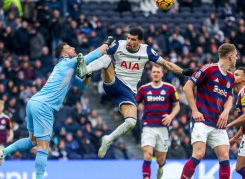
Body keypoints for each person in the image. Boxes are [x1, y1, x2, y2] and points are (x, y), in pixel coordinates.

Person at [0, 37, 115, 179]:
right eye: (70, 47)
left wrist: (88, 74)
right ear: (65, 53)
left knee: (32, 140)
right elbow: (94, 55)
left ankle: (1, 154)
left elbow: (83, 86)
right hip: (44, 107)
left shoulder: (65, 68)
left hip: (34, 102)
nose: (73, 48)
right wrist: (107, 44)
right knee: (43, 148)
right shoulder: (68, 63)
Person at [76, 27, 194, 158]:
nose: (129, 41)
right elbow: (100, 53)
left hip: (127, 92)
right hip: (113, 82)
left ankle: (108, 139)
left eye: (133, 39)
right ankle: (85, 70)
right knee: (106, 59)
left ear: (140, 41)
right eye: (128, 38)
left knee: (131, 122)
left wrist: (183, 72)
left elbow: (166, 64)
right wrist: (94, 54)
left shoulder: (147, 51)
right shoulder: (119, 45)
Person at [171, 43, 237, 179]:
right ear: (230, 56)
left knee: (224, 156)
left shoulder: (230, 77)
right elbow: (187, 87)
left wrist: (227, 111)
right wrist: (194, 110)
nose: (236, 58)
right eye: (235, 55)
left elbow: (229, 97)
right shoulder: (209, 69)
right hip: (202, 120)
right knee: (198, 154)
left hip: (218, 123)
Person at [136, 64, 180, 179]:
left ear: (162, 74)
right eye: (153, 72)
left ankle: (160, 167)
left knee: (160, 159)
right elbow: (135, 103)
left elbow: (176, 106)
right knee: (148, 154)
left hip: (163, 129)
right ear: (151, 74)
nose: (155, 74)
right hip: (148, 127)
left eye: (158, 72)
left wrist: (171, 116)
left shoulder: (170, 88)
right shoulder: (144, 89)